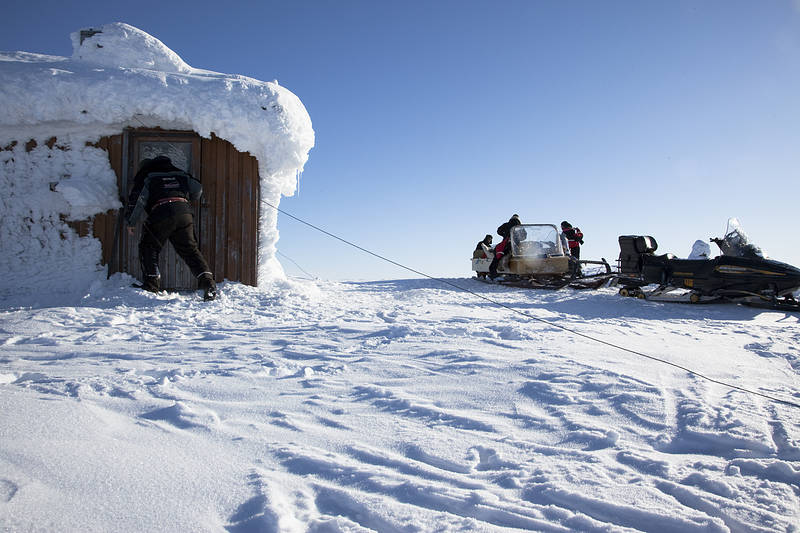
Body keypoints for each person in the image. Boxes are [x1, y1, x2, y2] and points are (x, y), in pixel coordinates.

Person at [125, 156, 217, 300]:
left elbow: (139, 198)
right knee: (190, 250)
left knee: (149, 247)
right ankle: (208, 283)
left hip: (161, 211)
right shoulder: (180, 174)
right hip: (184, 212)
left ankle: (151, 284)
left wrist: (131, 221)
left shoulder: (148, 176)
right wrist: (188, 199)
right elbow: (198, 188)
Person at [489, 214, 521, 279]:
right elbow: (524, 236)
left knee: (498, 256)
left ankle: (493, 273)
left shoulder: (506, 224)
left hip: (507, 243)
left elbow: (498, 231)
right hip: (517, 245)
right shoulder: (520, 226)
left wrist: (504, 234)